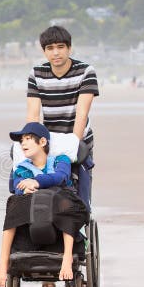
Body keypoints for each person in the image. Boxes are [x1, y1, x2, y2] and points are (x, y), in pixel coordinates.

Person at [0, 122, 89, 286]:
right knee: (14, 203)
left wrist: (36, 182)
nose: (23, 143)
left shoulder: (60, 159)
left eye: (28, 138)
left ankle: (67, 258)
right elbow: (16, 185)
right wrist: (23, 190)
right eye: (21, 140)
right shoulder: (22, 168)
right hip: (34, 215)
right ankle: (3, 264)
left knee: (66, 203)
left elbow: (60, 177)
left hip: (59, 206)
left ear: (43, 142)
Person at [26, 26, 99, 208]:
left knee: (78, 196)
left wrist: (73, 144)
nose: (56, 53)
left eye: (60, 47)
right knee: (34, 184)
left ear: (69, 48)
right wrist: (30, 143)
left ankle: (81, 224)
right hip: (49, 142)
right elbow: (33, 115)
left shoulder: (85, 72)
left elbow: (82, 113)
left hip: (78, 139)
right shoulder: (37, 74)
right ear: (44, 51)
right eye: (50, 48)